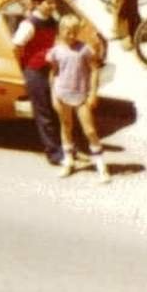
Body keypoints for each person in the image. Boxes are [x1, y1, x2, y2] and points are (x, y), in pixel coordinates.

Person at [48, 14, 107, 181]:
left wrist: (93, 93)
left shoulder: (85, 49)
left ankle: (101, 166)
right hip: (61, 93)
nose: (71, 35)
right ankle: (68, 161)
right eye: (68, 32)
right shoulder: (56, 51)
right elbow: (53, 73)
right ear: (61, 31)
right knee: (66, 126)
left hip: (81, 95)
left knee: (90, 130)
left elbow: (95, 70)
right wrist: (54, 95)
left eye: (75, 32)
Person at [12, 0, 65, 168]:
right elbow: (17, 47)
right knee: (44, 114)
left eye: (53, 4)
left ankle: (64, 146)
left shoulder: (52, 21)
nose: (52, 7)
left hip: (50, 69)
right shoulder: (29, 25)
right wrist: (24, 67)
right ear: (37, 4)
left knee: (56, 109)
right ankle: (54, 153)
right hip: (35, 71)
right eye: (48, 3)